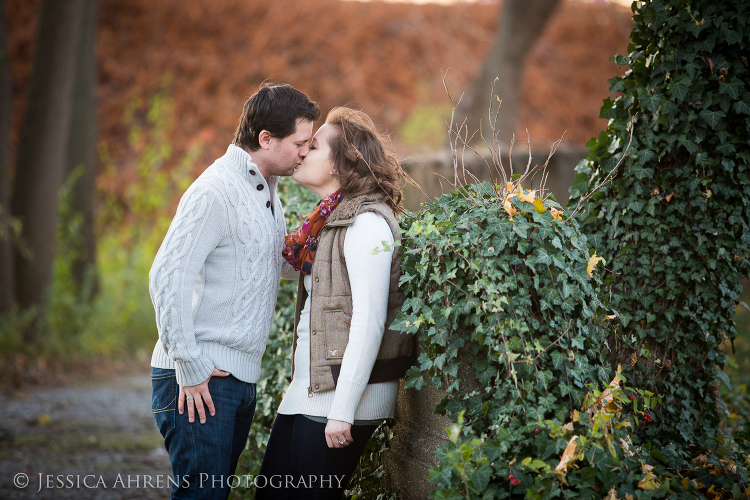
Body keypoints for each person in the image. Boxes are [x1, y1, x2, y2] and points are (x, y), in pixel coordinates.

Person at [149, 82, 320, 500]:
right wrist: (189, 363)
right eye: (301, 143)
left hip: (236, 379)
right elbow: (167, 274)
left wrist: (328, 232)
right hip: (198, 378)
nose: (305, 152)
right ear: (266, 139)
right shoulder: (216, 191)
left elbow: (268, 264)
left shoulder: (266, 192)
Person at [255, 107, 415, 499]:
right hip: (309, 392)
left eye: (313, 146)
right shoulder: (326, 225)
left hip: (340, 401)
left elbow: (369, 321)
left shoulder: (366, 224)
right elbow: (275, 265)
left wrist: (342, 410)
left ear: (340, 164)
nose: (303, 152)